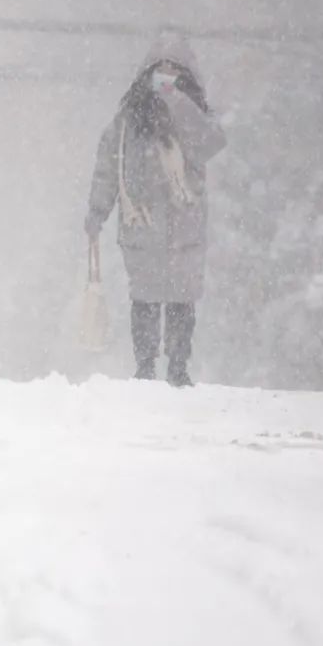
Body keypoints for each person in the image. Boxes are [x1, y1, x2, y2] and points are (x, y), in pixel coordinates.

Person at [85, 35, 226, 387]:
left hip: (185, 226)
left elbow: (210, 144)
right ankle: (145, 367)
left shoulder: (194, 116)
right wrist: (96, 212)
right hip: (142, 222)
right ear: (146, 74)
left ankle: (178, 368)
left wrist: (177, 101)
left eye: (175, 70)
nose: (166, 75)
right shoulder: (128, 120)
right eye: (160, 69)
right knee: (145, 297)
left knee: (182, 299)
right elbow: (107, 166)